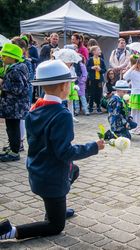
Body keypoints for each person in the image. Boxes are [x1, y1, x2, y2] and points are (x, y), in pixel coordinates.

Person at [0, 59, 104, 241]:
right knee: (55, 226)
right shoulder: (62, 114)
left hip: (37, 172)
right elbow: (65, 153)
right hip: (52, 179)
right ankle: (11, 231)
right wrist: (94, 147)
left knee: (74, 170)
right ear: (64, 86)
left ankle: (58, 208)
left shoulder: (34, 108)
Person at [0, 43, 30, 162]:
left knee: (13, 128)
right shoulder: (15, 67)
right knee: (10, 127)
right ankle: (13, 148)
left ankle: (14, 152)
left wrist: (3, 84)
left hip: (14, 106)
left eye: (4, 56)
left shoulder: (16, 69)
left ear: (12, 57)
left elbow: (18, 88)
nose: (2, 58)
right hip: (12, 106)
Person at [123, 55, 140, 135]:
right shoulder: (133, 73)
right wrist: (132, 67)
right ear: (138, 64)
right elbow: (125, 77)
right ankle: (133, 127)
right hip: (135, 94)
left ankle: (136, 126)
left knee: (138, 111)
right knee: (134, 112)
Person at [87, 46, 107, 114]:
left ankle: (99, 107)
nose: (100, 51)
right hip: (92, 79)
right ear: (94, 52)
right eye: (98, 50)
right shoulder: (90, 59)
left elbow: (104, 70)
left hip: (99, 80)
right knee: (91, 94)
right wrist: (92, 67)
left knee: (99, 94)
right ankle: (90, 107)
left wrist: (100, 69)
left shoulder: (101, 60)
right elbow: (87, 68)